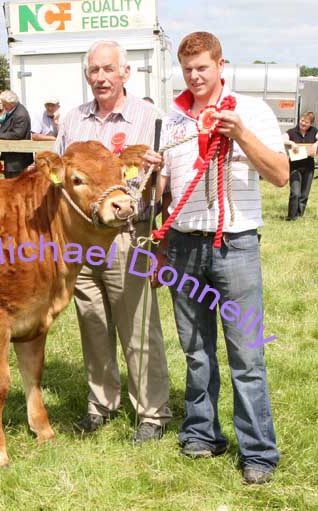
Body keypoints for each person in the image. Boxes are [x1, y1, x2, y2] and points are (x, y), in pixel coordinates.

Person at [144, 31, 289, 485]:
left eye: (202, 67)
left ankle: (259, 453)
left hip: (236, 246)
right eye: (188, 70)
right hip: (185, 244)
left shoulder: (251, 111)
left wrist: (241, 134)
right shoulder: (175, 118)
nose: (195, 76)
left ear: (220, 64)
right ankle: (202, 433)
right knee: (196, 351)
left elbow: (281, 175)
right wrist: (150, 174)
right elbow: (163, 190)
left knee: (246, 356)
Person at [54, 40, 172, 443]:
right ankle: (101, 405)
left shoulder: (149, 117)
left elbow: (165, 180)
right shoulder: (72, 120)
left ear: (125, 73)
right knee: (93, 324)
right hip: (81, 240)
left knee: (137, 326)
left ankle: (152, 413)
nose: (101, 77)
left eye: (108, 69)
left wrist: (158, 176)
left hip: (127, 236)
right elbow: (58, 182)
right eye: (94, 71)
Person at [283, 111, 318, 220]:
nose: (303, 123)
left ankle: (299, 216)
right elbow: (282, 139)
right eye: (302, 121)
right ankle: (291, 217)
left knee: (304, 194)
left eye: (306, 122)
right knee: (295, 192)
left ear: (311, 124)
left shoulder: (314, 132)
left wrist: (316, 143)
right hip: (295, 167)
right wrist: (292, 143)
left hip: (308, 166)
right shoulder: (292, 132)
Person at [0, 90, 33, 178]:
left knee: (14, 184)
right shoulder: (13, 110)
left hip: (17, 159)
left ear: (10, 103)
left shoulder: (20, 114)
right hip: (12, 156)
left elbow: (17, 134)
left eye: (4, 104)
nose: (3, 106)